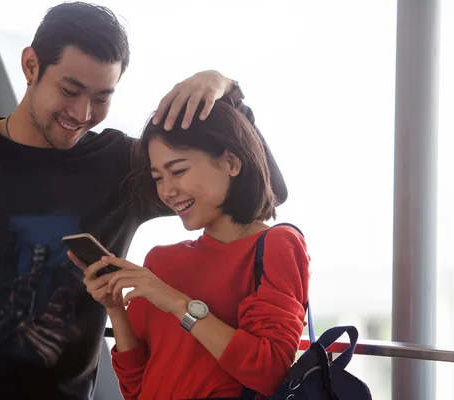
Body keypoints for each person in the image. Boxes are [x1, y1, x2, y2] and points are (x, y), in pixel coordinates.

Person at [0, 2, 287, 400]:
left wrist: (226, 89)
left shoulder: (123, 166)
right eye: (70, 90)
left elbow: (261, 190)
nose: (83, 112)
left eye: (102, 97)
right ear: (31, 65)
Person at [73, 101, 309, 399]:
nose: (167, 191)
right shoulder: (160, 261)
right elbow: (136, 387)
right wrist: (115, 309)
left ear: (232, 163)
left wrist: (175, 302)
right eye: (158, 177)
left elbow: (269, 371)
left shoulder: (278, 244)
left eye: (178, 170)